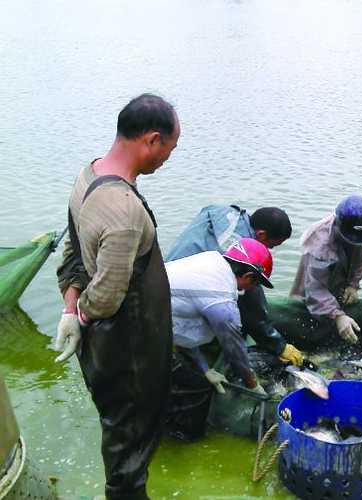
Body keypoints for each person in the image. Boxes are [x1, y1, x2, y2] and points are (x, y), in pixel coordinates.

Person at [54, 93, 180, 499]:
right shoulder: (124, 211)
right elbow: (108, 296)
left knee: (117, 428)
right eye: (169, 149)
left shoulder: (88, 175)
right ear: (152, 140)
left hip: (99, 346)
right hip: (127, 349)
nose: (167, 160)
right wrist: (85, 315)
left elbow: (72, 249)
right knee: (130, 442)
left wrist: (70, 309)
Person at [165, 204, 303, 366]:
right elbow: (253, 311)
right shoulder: (241, 255)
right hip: (171, 303)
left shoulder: (224, 211)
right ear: (261, 234)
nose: (268, 250)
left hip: (168, 271)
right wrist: (279, 346)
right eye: (270, 246)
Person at [164, 238, 271, 440]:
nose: (251, 289)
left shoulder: (211, 260)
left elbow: (182, 327)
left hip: (150, 315)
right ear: (248, 275)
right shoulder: (221, 298)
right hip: (139, 329)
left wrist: (206, 368)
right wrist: (252, 384)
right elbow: (235, 348)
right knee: (195, 389)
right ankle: (180, 440)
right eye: (255, 283)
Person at [290, 195, 362, 346]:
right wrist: (338, 316)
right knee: (310, 308)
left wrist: (353, 285)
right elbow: (314, 288)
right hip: (316, 281)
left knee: (342, 302)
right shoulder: (319, 243)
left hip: (344, 273)